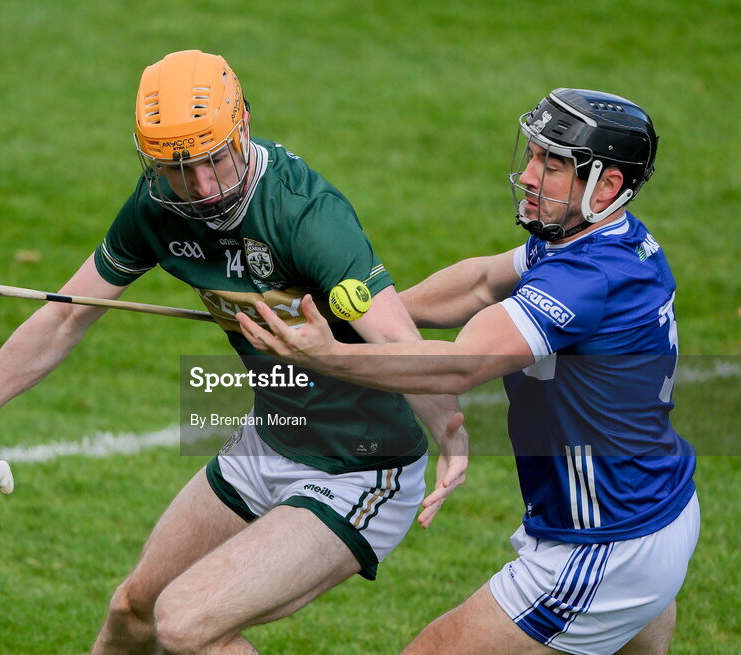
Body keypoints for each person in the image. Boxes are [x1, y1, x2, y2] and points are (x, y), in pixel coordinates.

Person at [0, 49, 468, 654]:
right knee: (133, 612)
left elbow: (398, 341)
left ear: (243, 128)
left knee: (186, 625)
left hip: (362, 467)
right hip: (272, 438)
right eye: (181, 170)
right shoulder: (157, 207)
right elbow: (63, 317)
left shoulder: (305, 214)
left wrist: (450, 430)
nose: (203, 188)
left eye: (214, 160)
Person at [237, 88, 699, 655]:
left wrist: (326, 355)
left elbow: (459, 364)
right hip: (658, 513)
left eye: (552, 165)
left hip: (604, 546)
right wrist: (376, 313)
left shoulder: (587, 279)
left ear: (607, 185)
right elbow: (482, 282)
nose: (529, 175)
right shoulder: (598, 240)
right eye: (531, 155)